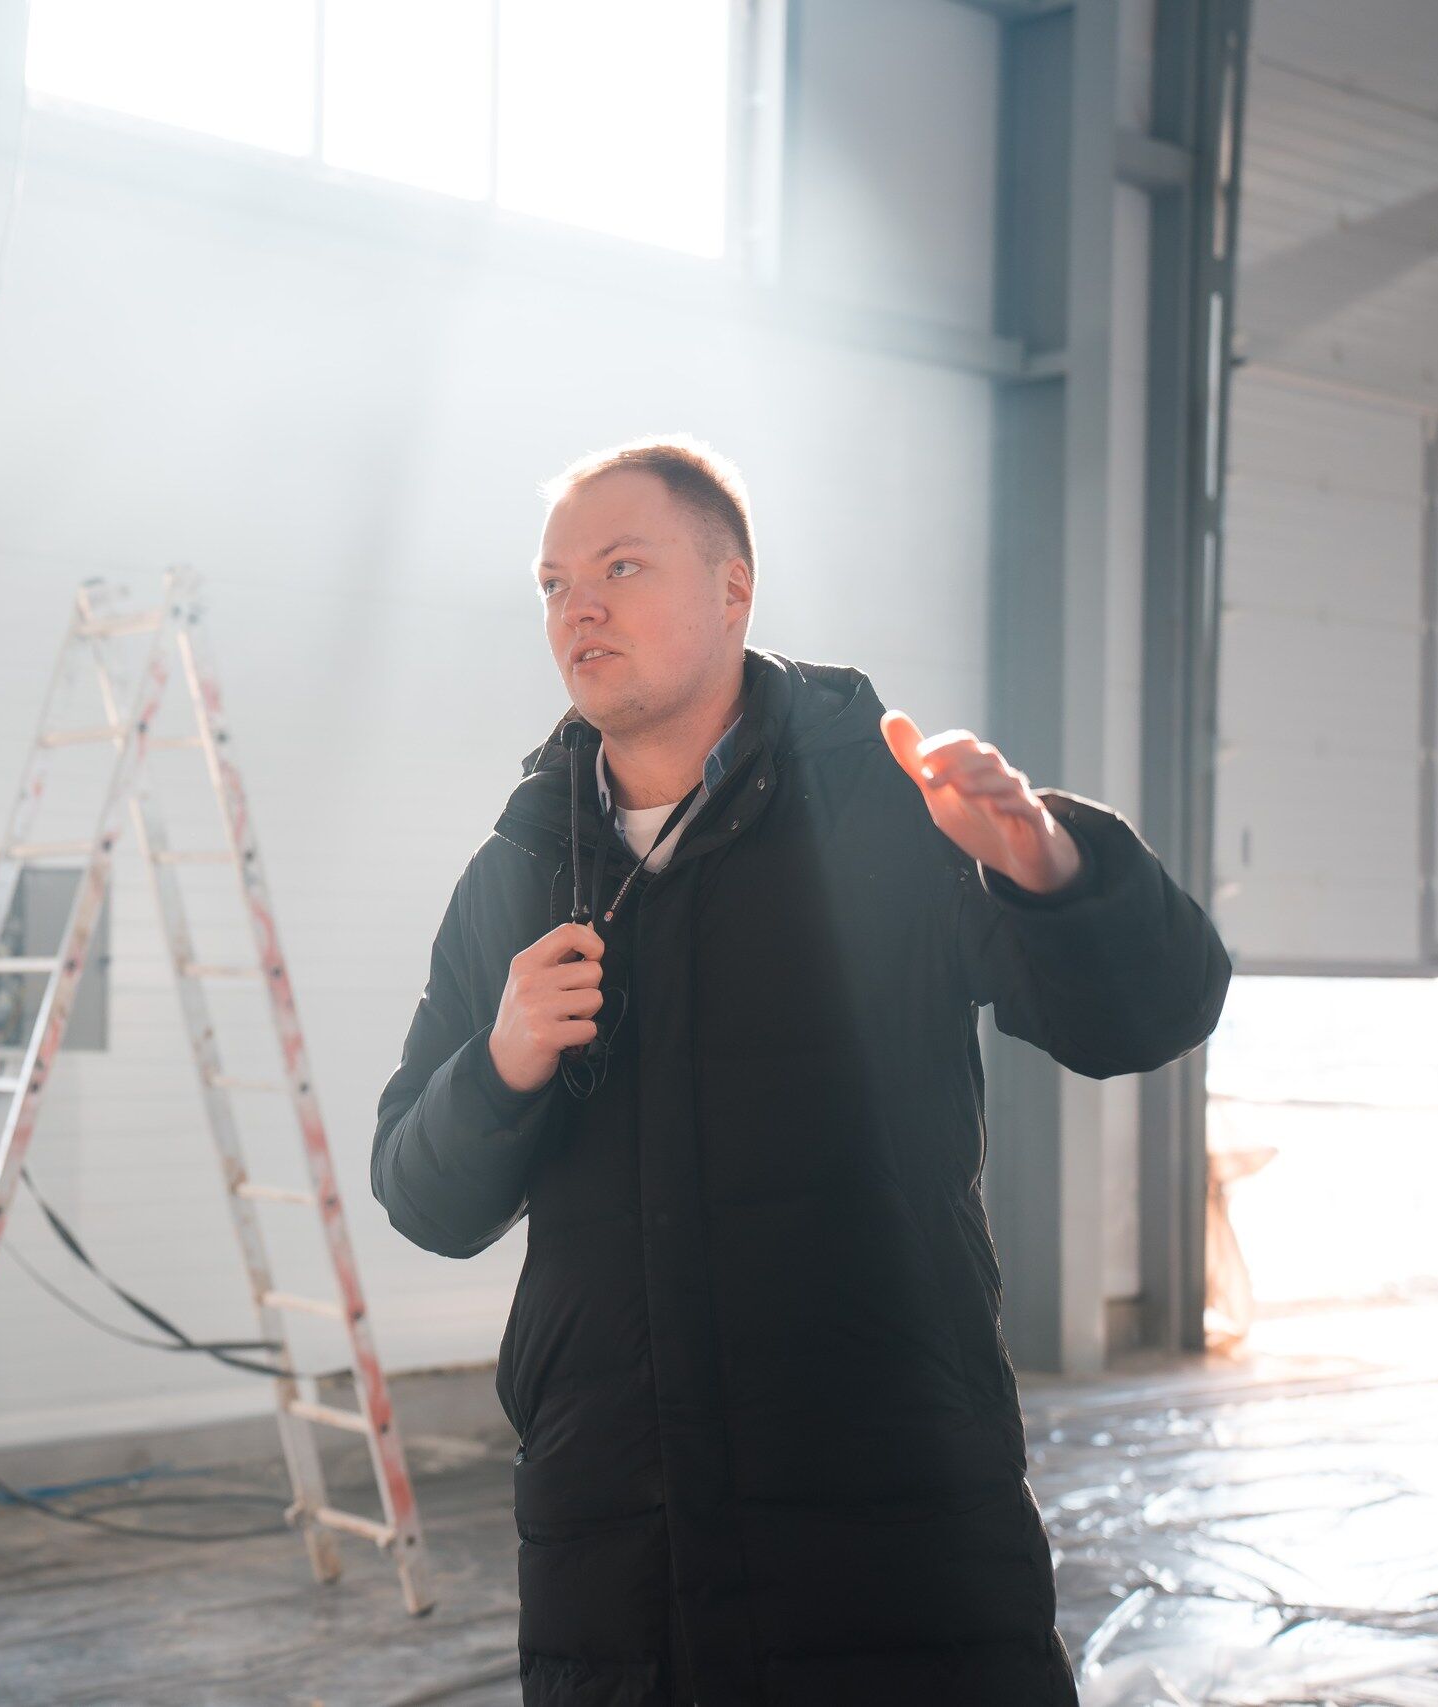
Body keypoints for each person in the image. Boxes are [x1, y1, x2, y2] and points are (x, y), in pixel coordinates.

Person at [371, 438, 1231, 1706]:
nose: (577, 609)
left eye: (619, 568)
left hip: (891, 1525)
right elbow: (420, 1196)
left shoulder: (888, 813)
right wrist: (499, 1066)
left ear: (733, 588)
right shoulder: (517, 872)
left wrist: (1048, 868)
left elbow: (1151, 1014)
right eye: (553, 584)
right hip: (621, 1550)